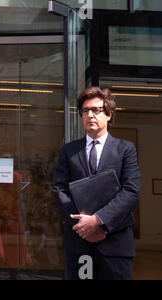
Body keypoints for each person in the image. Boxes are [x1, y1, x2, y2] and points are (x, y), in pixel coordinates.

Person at [53, 87, 140, 280]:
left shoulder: (125, 149)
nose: (90, 115)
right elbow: (60, 190)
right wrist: (84, 226)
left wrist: (97, 221)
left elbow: (131, 192)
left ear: (109, 114)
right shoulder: (69, 151)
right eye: (85, 111)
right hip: (79, 242)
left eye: (96, 110)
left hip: (115, 244)